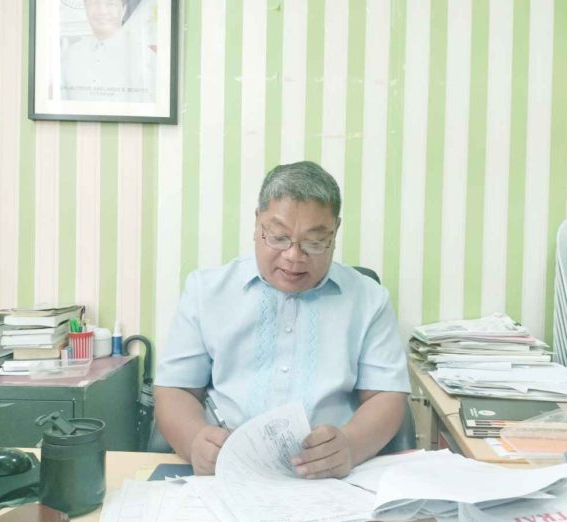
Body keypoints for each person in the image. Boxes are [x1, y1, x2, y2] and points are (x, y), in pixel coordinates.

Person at [154, 161, 410, 478]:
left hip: (327, 478)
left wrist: (350, 445)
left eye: (315, 242)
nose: (294, 256)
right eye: (278, 237)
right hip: (226, 473)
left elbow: (386, 396)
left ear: (335, 231)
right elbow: (175, 390)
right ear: (257, 224)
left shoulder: (369, 300)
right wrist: (195, 441)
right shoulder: (206, 292)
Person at [60, 0, 156, 103]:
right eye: (94, 4)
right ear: (86, 9)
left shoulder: (144, 56)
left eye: (110, 4)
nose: (102, 11)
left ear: (123, 10)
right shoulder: (70, 56)